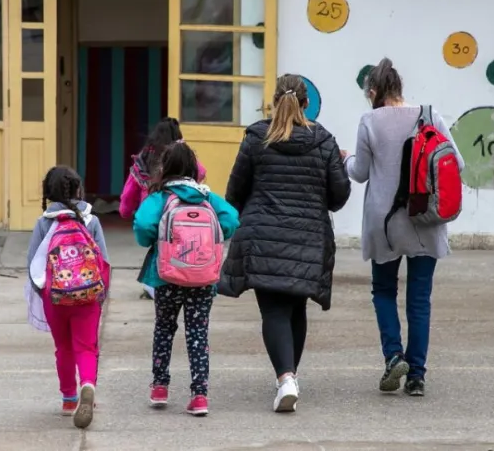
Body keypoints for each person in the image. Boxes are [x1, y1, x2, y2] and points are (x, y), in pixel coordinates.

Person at [217, 74, 351, 413]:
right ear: (306, 104)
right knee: (296, 308)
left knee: (273, 310)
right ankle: (289, 377)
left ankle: (286, 377)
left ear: (275, 102)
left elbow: (234, 192)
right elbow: (338, 197)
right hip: (309, 237)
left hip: (263, 237)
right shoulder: (324, 141)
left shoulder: (256, 138)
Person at [342, 58, 464, 398]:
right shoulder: (429, 114)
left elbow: (360, 172)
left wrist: (344, 158)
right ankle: (417, 377)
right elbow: (458, 162)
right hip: (425, 216)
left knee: (383, 291)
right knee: (420, 298)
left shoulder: (370, 121)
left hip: (385, 222)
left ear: (374, 92)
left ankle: (394, 355)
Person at [133, 142, 239, 417]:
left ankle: (159, 387)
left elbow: (143, 226)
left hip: (166, 275)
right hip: (203, 277)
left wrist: (155, 239)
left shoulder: (160, 198)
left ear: (165, 169)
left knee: (164, 329)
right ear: (194, 169)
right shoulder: (207, 197)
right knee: (198, 333)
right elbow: (231, 219)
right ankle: (199, 395)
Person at [24, 166, 110, 429]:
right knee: (87, 347)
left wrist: (46, 292)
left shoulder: (44, 222)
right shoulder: (91, 220)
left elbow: (33, 264)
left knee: (63, 347)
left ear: (48, 192)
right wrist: (100, 294)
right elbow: (104, 260)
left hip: (56, 297)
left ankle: (69, 399)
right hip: (88, 297)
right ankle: (88, 384)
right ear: (78, 189)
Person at [120, 117, 207, 300]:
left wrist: (125, 211)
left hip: (154, 215)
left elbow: (129, 193)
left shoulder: (144, 159)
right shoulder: (183, 157)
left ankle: (155, 285)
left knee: (158, 249)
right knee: (180, 246)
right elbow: (201, 172)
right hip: (181, 213)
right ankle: (185, 278)